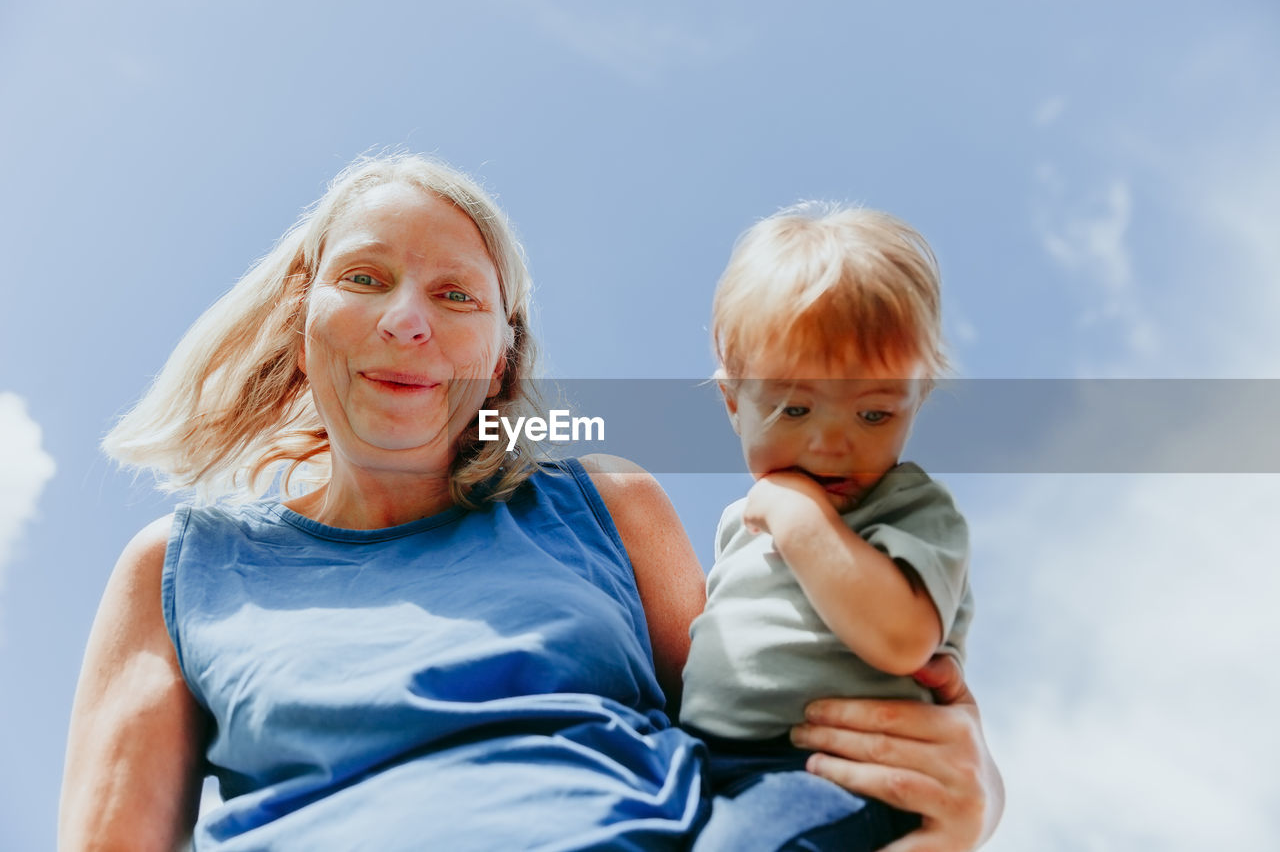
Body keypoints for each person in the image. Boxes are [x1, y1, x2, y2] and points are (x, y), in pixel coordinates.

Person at [58, 153, 1003, 851]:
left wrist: (958, 802)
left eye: (458, 296)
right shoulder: (181, 568)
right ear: (303, 324)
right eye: (363, 278)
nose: (407, 320)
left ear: (500, 360)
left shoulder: (602, 496)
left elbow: (758, 729)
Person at [682, 203, 972, 851]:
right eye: (795, 407)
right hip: (712, 768)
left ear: (915, 402)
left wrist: (799, 518)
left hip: (834, 775)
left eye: (873, 415)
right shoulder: (740, 521)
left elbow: (902, 639)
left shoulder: (910, 507)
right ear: (734, 401)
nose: (831, 442)